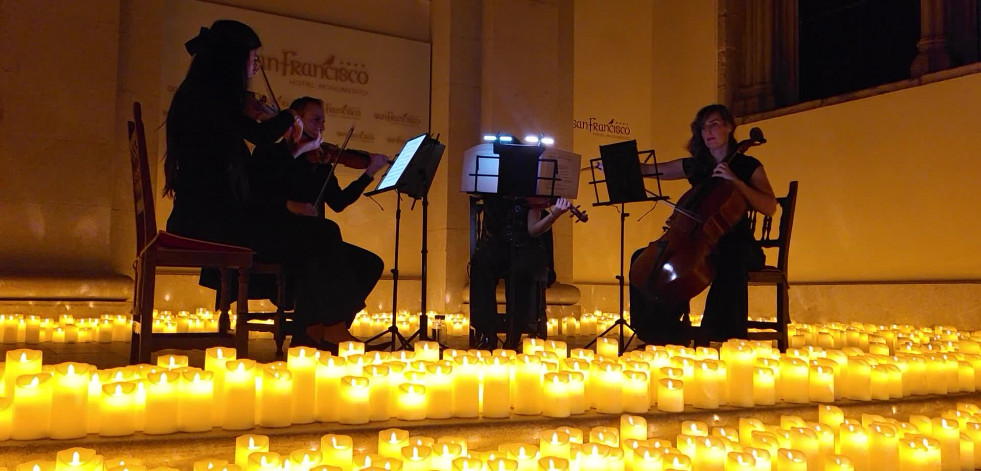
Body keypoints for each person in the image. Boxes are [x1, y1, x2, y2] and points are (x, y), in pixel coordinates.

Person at [628, 104, 776, 345]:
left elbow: (769, 206)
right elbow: (652, 170)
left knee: (729, 261)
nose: (708, 131)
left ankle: (719, 336)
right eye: (703, 127)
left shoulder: (749, 165)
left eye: (714, 124)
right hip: (700, 242)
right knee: (643, 259)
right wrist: (619, 166)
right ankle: (659, 331)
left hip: (738, 245)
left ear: (730, 127)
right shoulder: (698, 165)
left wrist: (735, 181)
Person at [249, 96, 388, 348]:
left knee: (369, 264)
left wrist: (368, 174)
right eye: (315, 119)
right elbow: (257, 195)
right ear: (296, 120)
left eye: (323, 119)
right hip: (276, 234)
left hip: (311, 238)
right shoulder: (271, 151)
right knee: (327, 233)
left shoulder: (321, 160)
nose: (322, 125)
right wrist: (289, 205)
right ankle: (328, 329)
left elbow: (339, 202)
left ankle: (324, 330)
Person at [469, 195, 570, 350]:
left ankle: (514, 335)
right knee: (479, 264)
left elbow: (533, 230)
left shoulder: (531, 191)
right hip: (493, 244)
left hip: (523, 245)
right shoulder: (491, 185)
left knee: (521, 269)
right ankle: (487, 332)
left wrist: (554, 214)